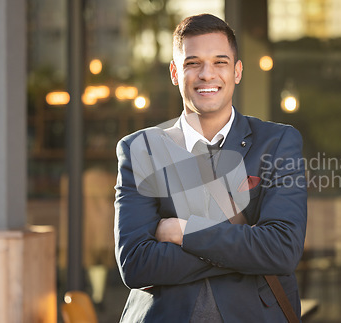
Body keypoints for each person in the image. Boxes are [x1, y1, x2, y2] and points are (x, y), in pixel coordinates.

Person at [114, 13, 307, 322]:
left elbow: (281, 249)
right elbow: (136, 264)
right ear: (176, 73)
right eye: (193, 63)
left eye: (220, 62)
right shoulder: (140, 150)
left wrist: (183, 232)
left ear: (237, 71)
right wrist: (246, 243)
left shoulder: (277, 142)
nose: (207, 74)